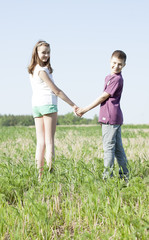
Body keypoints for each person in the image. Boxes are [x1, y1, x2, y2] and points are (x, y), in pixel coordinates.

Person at [28, 40, 78, 179]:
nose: (46, 55)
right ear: (36, 53)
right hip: (48, 105)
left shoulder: (32, 70)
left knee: (40, 142)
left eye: (48, 52)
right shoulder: (42, 71)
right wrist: (72, 105)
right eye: (43, 52)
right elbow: (56, 91)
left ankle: (40, 176)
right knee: (49, 142)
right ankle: (50, 175)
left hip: (36, 106)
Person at [76, 50, 129, 180]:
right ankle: (125, 176)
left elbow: (103, 97)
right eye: (114, 63)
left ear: (124, 65)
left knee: (108, 149)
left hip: (110, 118)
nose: (116, 66)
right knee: (117, 150)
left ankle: (107, 178)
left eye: (120, 64)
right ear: (110, 61)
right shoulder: (109, 78)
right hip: (113, 117)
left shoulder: (116, 79)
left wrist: (85, 109)